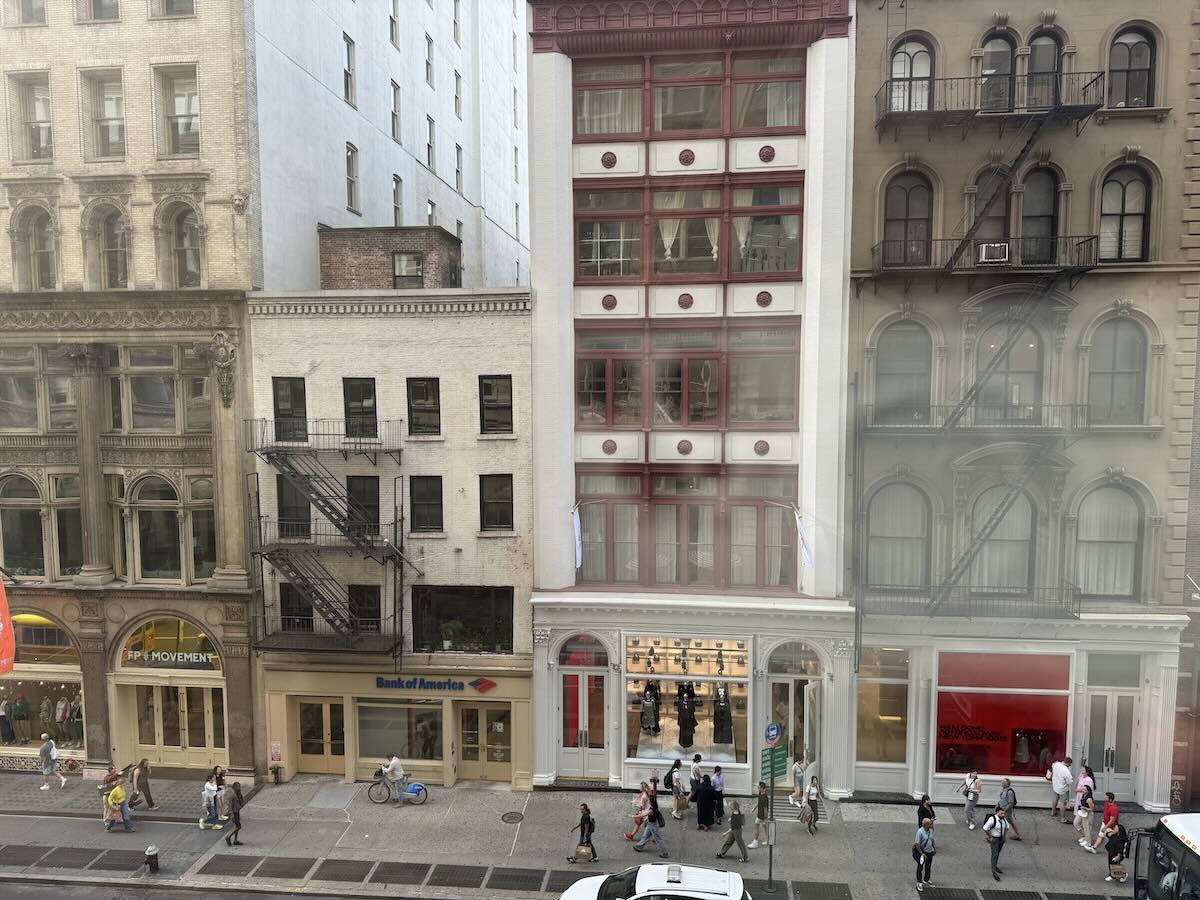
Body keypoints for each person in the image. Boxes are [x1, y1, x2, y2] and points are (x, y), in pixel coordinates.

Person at [633, 790, 669, 858]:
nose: (648, 801)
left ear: (651, 802)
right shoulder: (654, 807)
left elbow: (644, 815)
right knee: (645, 836)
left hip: (653, 825)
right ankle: (639, 846)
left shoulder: (651, 810)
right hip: (651, 824)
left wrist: (634, 816)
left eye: (649, 800)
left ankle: (664, 852)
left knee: (658, 839)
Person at [982, 806, 1010, 881]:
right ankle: (994, 872)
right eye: (1001, 813)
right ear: (997, 812)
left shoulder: (1003, 819)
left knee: (997, 853)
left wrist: (1004, 836)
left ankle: (995, 866)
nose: (1003, 815)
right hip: (995, 839)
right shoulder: (992, 819)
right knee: (994, 855)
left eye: (1003, 813)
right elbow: (985, 828)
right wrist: (990, 836)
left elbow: (1007, 827)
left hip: (1001, 839)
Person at [914, 816, 935, 892]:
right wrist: (922, 853)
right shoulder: (920, 832)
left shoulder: (930, 830)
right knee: (920, 867)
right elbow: (917, 844)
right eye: (930, 824)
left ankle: (926, 879)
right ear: (925, 825)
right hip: (922, 853)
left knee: (928, 866)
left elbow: (932, 839)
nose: (931, 825)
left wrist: (934, 848)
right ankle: (919, 882)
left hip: (929, 852)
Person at [1050, 756, 1074, 823]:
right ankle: (1063, 818)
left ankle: (1053, 812)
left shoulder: (1056, 764)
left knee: (1055, 799)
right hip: (1063, 789)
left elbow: (1052, 767)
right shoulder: (1066, 771)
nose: (1070, 766)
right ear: (1067, 763)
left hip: (1055, 786)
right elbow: (1070, 782)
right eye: (1070, 764)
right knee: (1063, 803)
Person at [748, 781, 769, 849]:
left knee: (756, 827)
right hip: (760, 814)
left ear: (763, 788)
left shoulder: (764, 797)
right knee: (764, 827)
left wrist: (765, 818)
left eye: (759, 788)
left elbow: (765, 809)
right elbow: (759, 802)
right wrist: (754, 808)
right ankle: (767, 839)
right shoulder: (761, 793)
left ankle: (755, 842)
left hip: (761, 815)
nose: (758, 788)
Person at [1075, 783, 1096, 848]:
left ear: (1088, 791)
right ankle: (1084, 836)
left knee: (1087, 828)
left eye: (1084, 790)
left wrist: (1084, 808)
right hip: (1082, 812)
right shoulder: (1083, 795)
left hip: (1088, 814)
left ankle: (1088, 842)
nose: (1083, 791)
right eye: (1083, 789)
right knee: (1076, 823)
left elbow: (1092, 809)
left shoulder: (1089, 799)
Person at [224, 782, 245, 847]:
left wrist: (240, 795)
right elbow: (229, 805)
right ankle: (228, 836)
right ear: (234, 787)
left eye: (239, 786)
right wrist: (231, 814)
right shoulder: (232, 795)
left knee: (236, 826)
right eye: (238, 786)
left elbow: (241, 801)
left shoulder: (237, 793)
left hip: (237, 810)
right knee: (238, 826)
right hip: (234, 812)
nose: (239, 788)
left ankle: (235, 840)